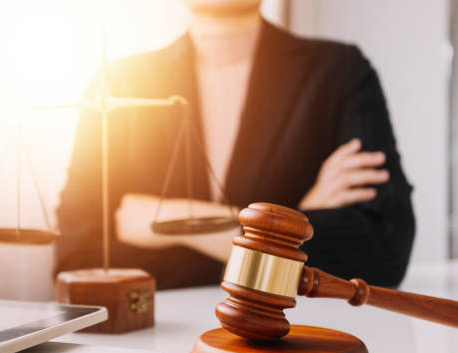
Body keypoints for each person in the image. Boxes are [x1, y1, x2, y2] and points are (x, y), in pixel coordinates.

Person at [55, 0, 415, 289]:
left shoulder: (340, 72)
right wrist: (291, 224)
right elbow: (79, 258)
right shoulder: (117, 86)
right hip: (147, 345)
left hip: (288, 343)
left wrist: (166, 222)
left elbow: (383, 251)